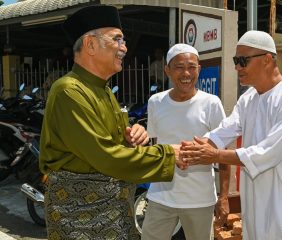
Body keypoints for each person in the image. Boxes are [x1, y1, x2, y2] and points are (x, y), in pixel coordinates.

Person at [39, 6, 186, 240]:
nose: (124, 47)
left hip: (113, 211)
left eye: (124, 40)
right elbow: (105, 155)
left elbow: (113, 142)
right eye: (117, 39)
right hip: (80, 217)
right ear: (90, 45)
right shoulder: (70, 91)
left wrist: (134, 135)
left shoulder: (103, 90)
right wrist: (167, 155)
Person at [181, 30, 282, 240]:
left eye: (243, 61)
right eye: (236, 60)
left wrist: (215, 155)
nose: (237, 67)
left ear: (267, 59)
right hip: (254, 201)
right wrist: (191, 150)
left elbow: (268, 152)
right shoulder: (249, 99)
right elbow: (224, 130)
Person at [141, 43, 230, 240]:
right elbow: (155, 147)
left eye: (191, 67)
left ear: (199, 69)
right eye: (179, 67)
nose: (186, 73)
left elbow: (223, 152)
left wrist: (223, 197)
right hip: (161, 196)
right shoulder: (156, 102)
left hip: (199, 200)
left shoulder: (211, 103)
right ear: (167, 70)